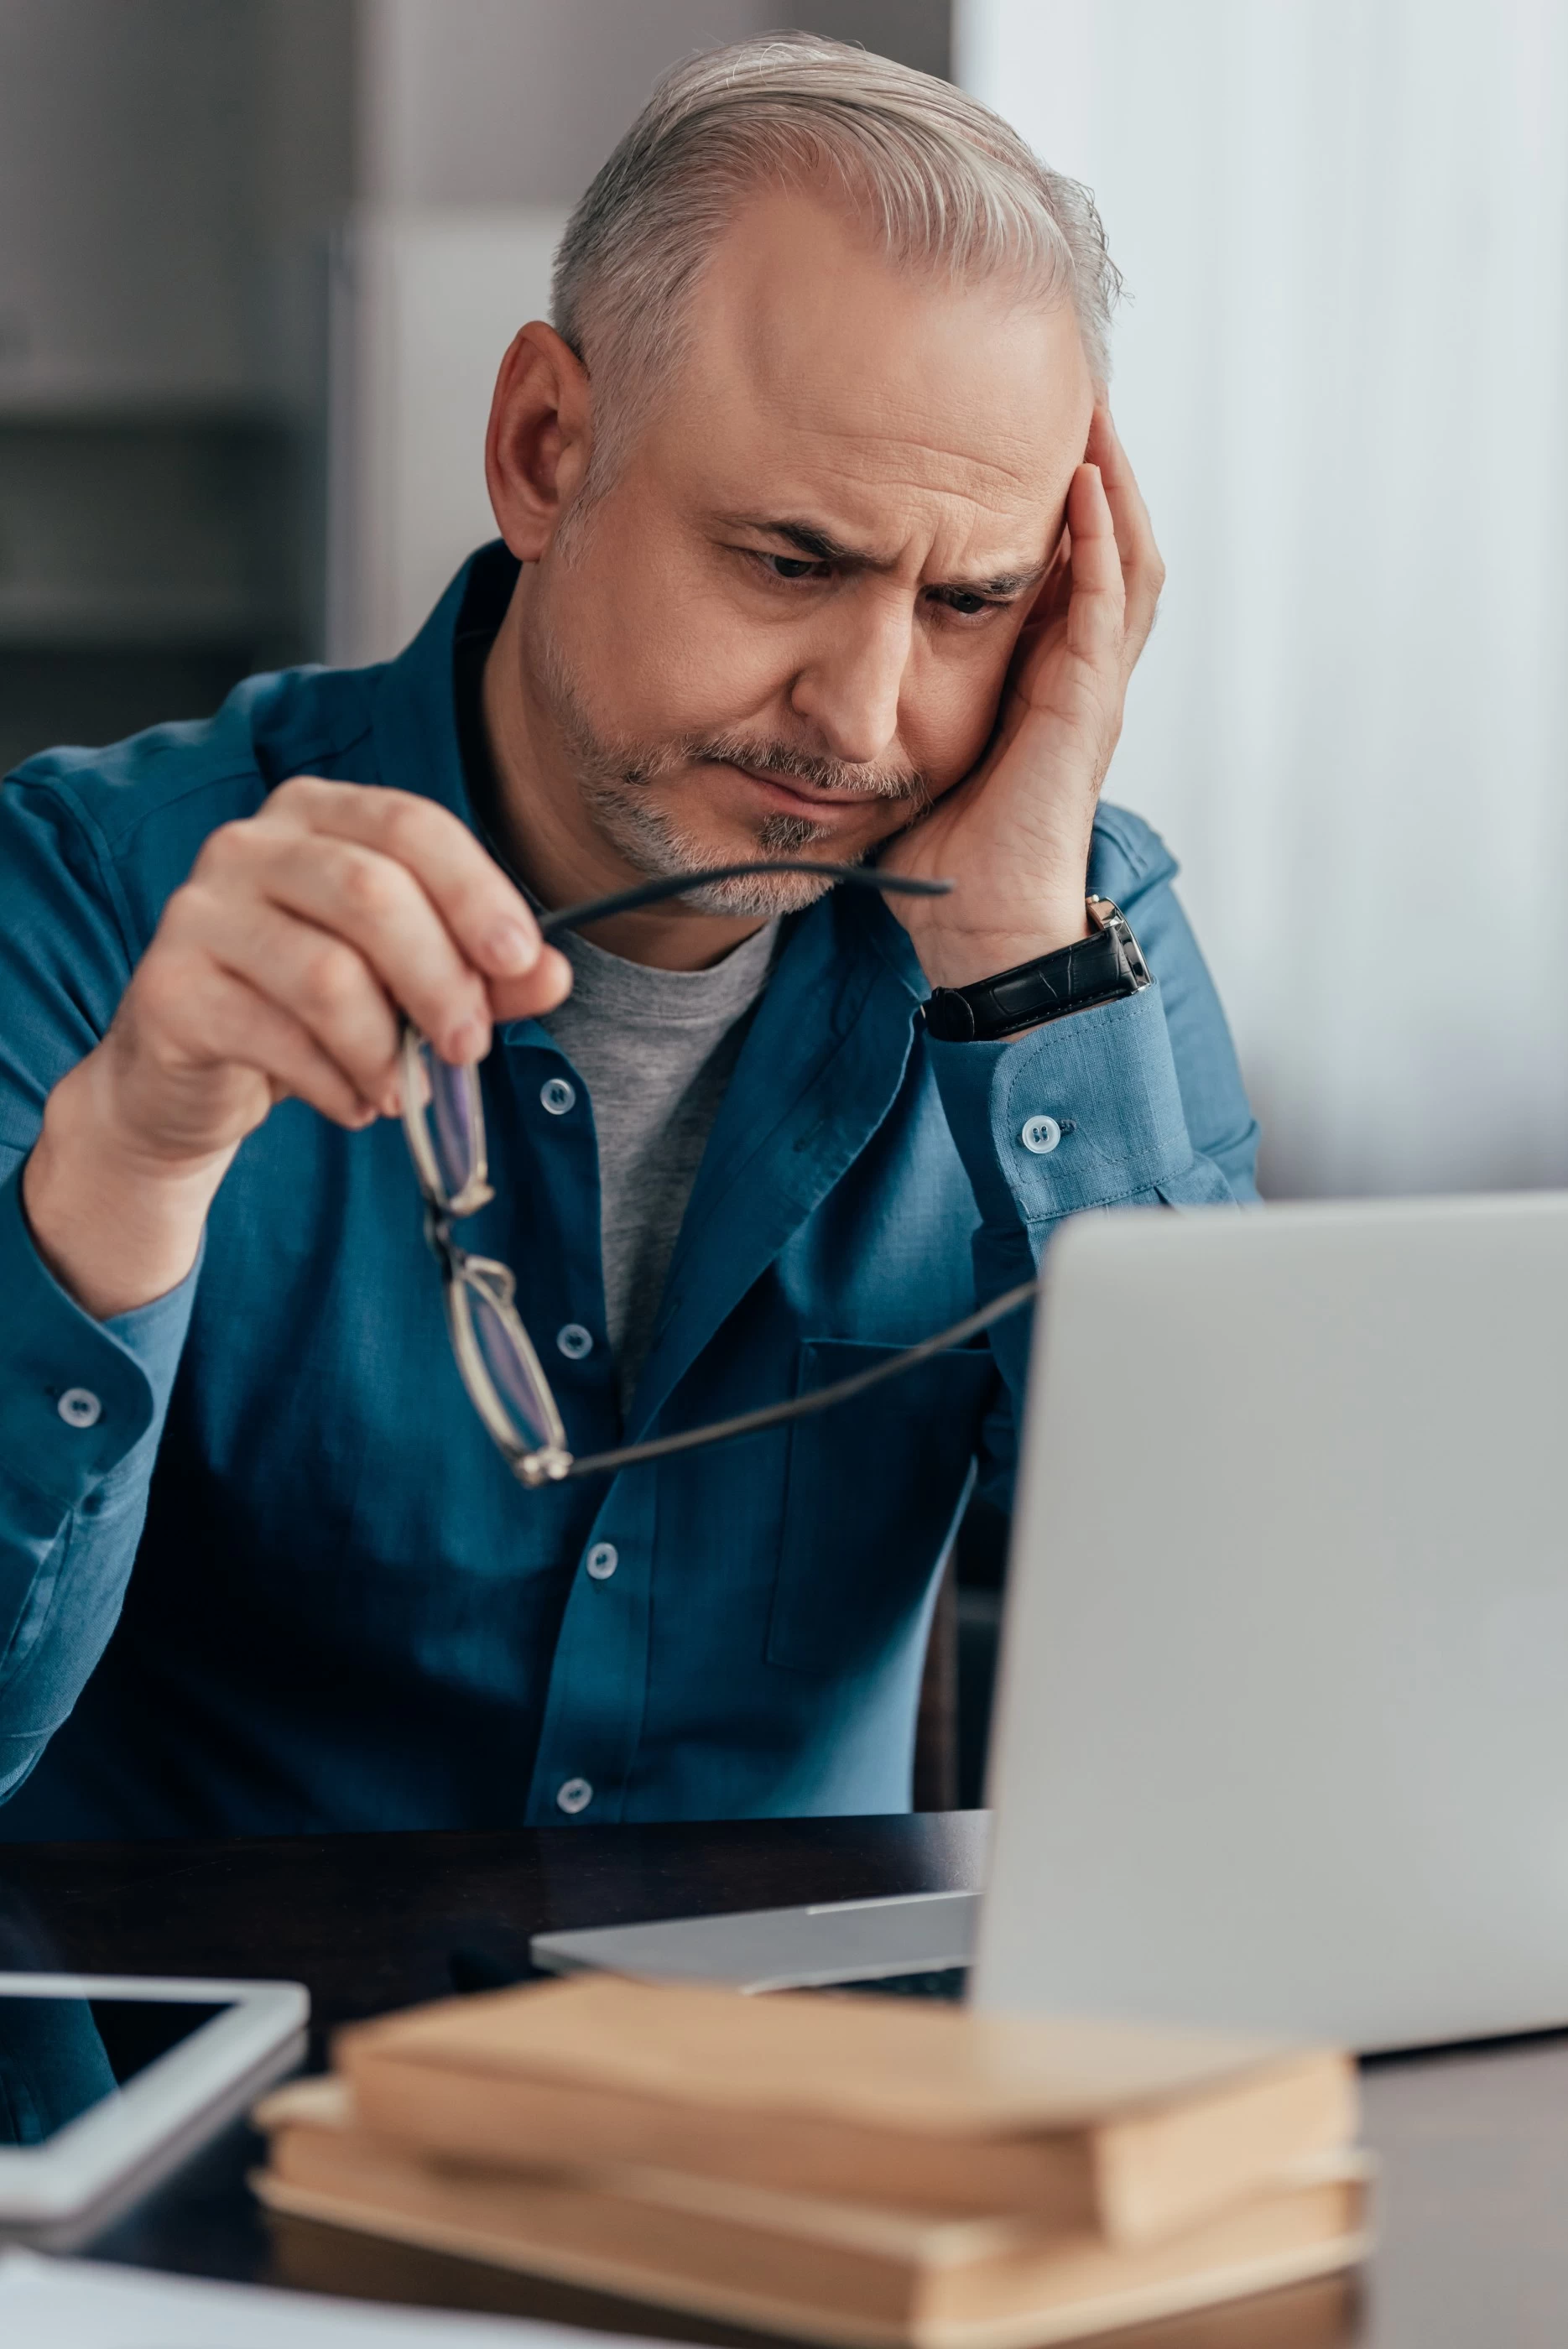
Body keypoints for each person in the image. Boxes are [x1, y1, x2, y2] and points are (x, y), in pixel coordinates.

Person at [0, 36, 1257, 1840]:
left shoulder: (1071, 936)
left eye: (970, 598)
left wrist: (1026, 981)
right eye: (790, 561)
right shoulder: (93, 896)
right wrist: (127, 1164)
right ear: (543, 447)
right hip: (220, 2093)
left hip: (793, 2097)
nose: (861, 713)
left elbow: (1229, 1686)